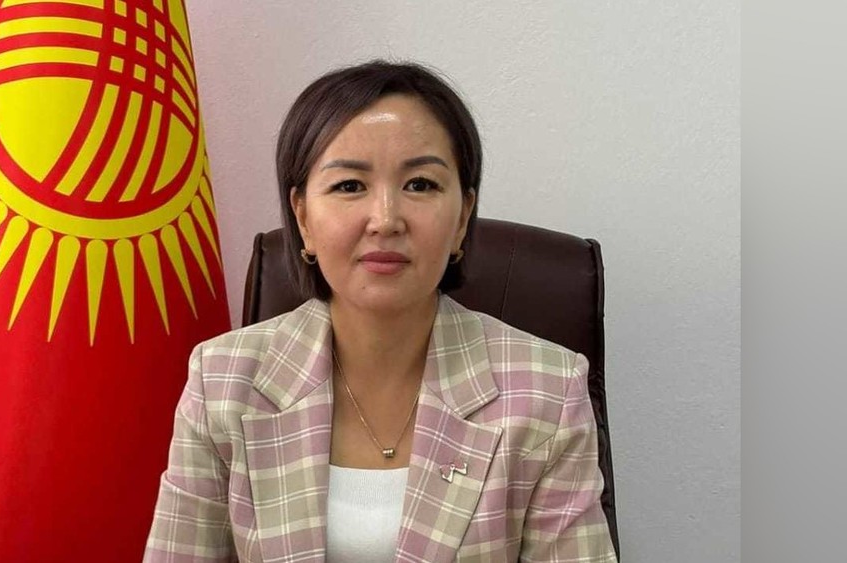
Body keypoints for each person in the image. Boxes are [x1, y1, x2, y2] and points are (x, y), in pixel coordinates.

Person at [143, 60, 617, 562]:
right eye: (350, 185)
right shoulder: (223, 382)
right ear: (303, 218)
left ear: (462, 218)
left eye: (421, 184)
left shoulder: (546, 390)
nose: (386, 219)